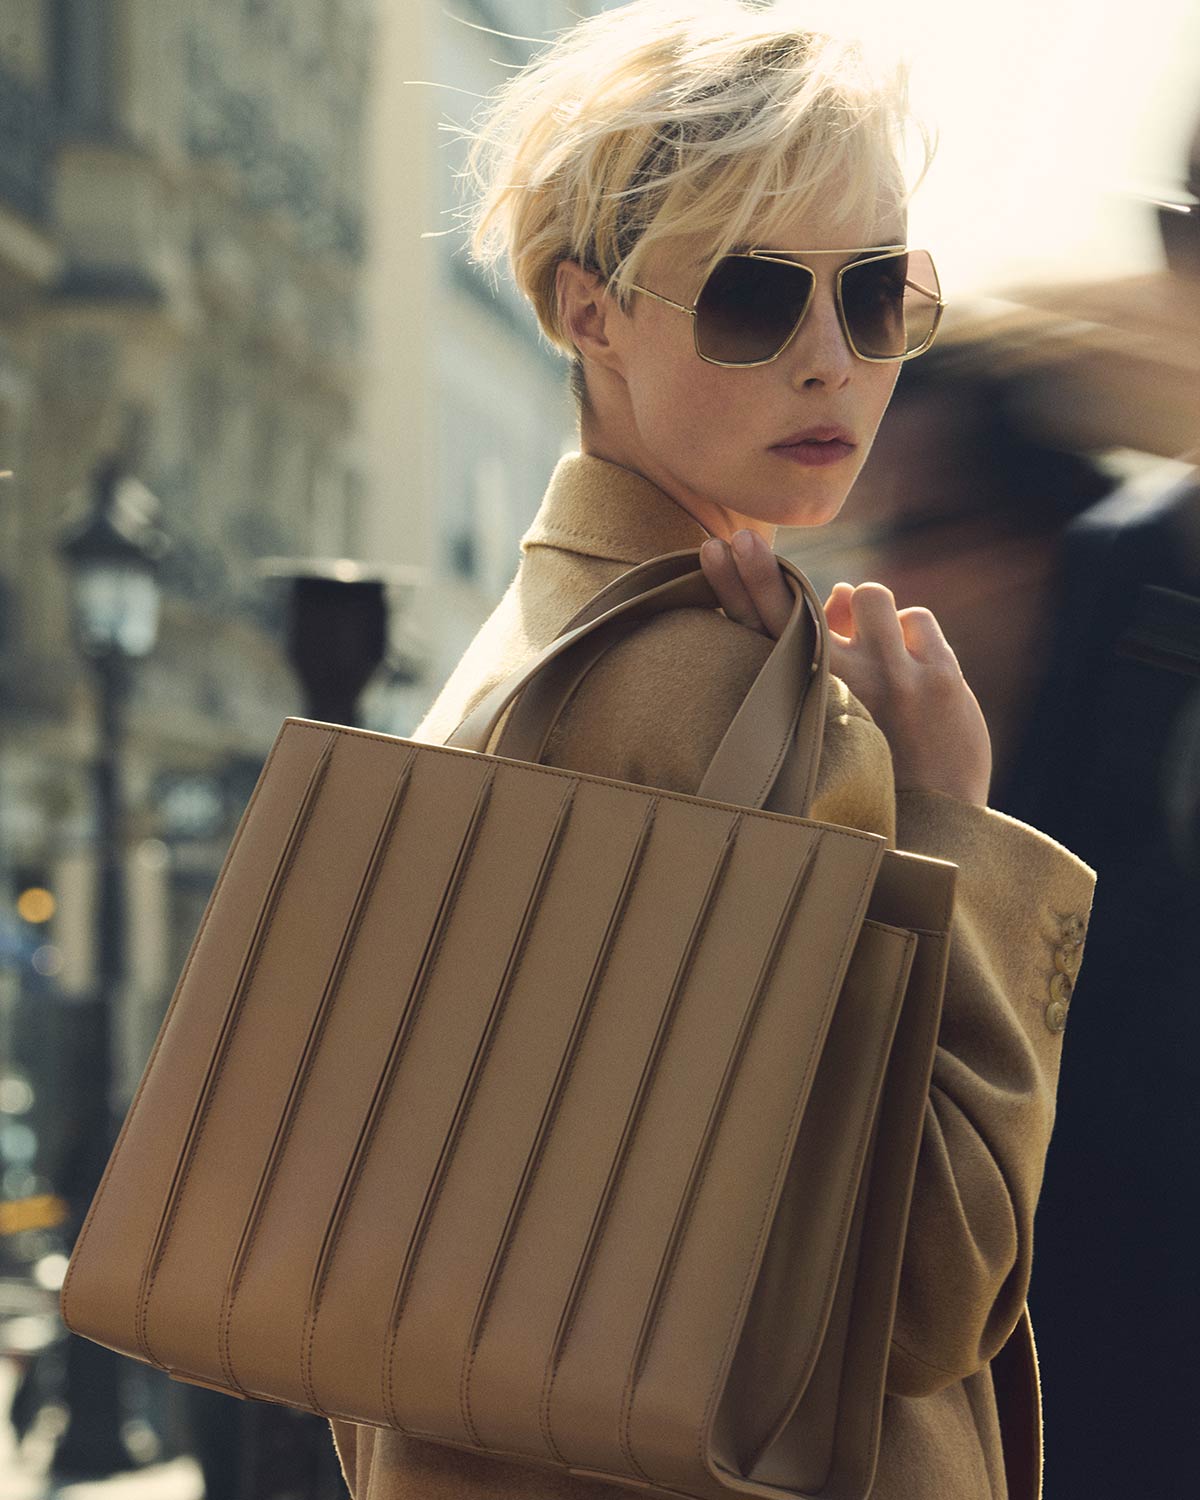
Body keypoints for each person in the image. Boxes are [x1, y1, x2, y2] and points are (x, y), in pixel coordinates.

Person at [327, 3, 1097, 1497]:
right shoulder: (716, 701)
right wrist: (950, 820)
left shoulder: (520, 660)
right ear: (587, 310)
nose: (832, 362)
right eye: (753, 298)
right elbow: (927, 1277)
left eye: (878, 294)